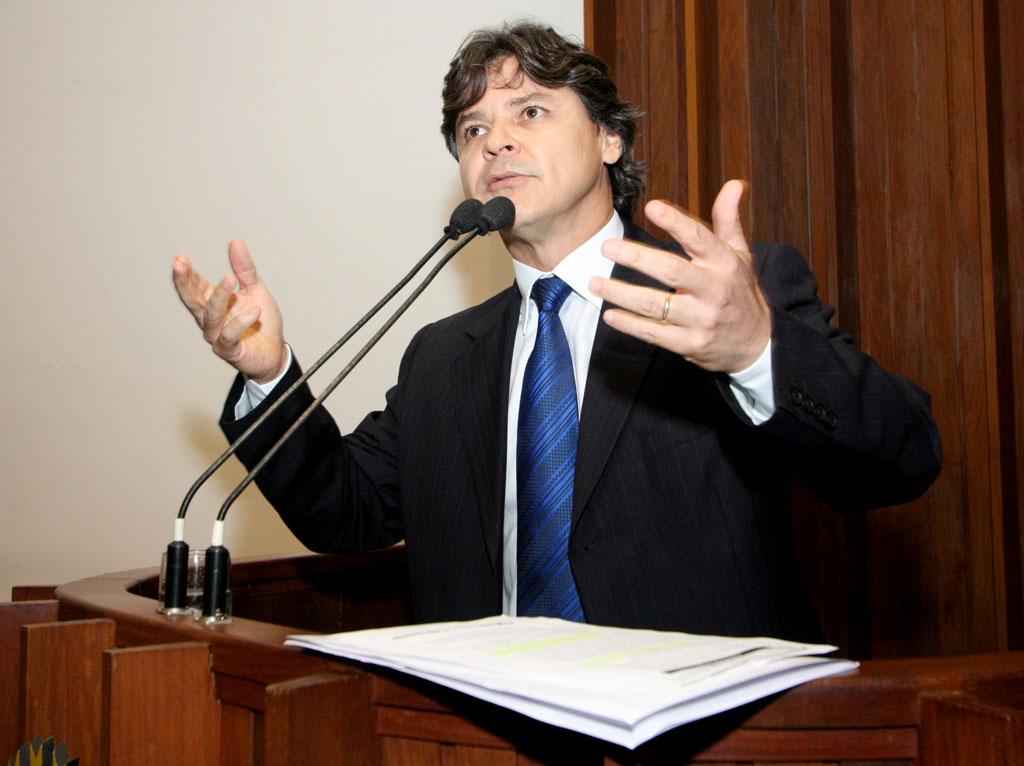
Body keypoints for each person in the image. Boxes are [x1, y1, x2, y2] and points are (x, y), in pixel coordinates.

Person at [172, 22, 941, 641]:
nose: (495, 141)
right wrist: (268, 376)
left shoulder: (724, 301)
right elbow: (344, 513)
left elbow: (902, 459)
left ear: (610, 138)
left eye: (530, 111)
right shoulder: (441, 358)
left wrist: (755, 351)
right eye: (472, 129)